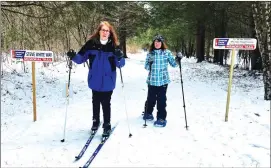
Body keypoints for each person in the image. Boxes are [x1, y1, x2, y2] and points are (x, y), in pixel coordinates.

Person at [67, 21, 125, 137]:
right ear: (99, 31)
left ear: (110, 33)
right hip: (95, 79)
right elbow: (80, 59)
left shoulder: (114, 46)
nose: (105, 32)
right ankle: (95, 121)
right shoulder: (91, 44)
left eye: (107, 31)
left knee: (106, 103)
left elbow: (120, 64)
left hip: (108, 80)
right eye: (103, 30)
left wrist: (119, 57)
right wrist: (73, 56)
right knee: (95, 101)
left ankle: (107, 125)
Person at [143, 34, 181, 127]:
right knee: (151, 98)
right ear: (153, 43)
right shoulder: (150, 53)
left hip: (163, 81)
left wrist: (178, 59)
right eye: (155, 42)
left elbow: (174, 64)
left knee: (161, 100)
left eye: (159, 42)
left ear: (162, 43)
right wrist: (150, 64)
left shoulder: (166, 53)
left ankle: (161, 118)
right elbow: (146, 66)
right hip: (152, 80)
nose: (157, 43)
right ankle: (148, 113)